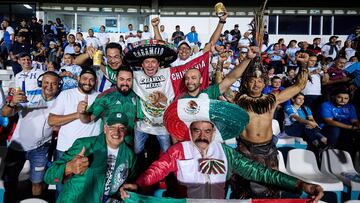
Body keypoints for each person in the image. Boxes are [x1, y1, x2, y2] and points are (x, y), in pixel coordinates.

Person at [120, 98, 323, 201]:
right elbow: (157, 169)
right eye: (197, 130)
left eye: (207, 131)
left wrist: (301, 185)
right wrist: (138, 185)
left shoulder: (226, 153)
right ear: (189, 131)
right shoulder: (178, 151)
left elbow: (261, 172)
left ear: (214, 132)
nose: (202, 136)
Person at [231, 54, 309, 198]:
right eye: (252, 81)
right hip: (245, 152)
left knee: (270, 191)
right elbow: (223, 84)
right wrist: (220, 65)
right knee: (244, 192)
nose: (256, 84)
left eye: (260, 81)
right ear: (246, 83)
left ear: (265, 83)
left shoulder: (272, 99)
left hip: (268, 152)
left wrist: (303, 65)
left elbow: (299, 86)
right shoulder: (238, 100)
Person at [44, 112, 137, 202]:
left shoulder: (129, 155)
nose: (117, 132)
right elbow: (49, 176)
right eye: (112, 127)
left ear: (125, 131)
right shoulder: (85, 145)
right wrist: (69, 167)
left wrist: (125, 189)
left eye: (121, 128)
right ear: (105, 129)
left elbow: (126, 181)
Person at [2, 71, 62, 202]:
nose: (49, 86)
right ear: (41, 83)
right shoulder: (28, 96)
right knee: (10, 181)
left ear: (59, 86)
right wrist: (12, 103)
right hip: (17, 146)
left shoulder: (61, 102)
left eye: (54, 83)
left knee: (37, 183)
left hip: (41, 149)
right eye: (46, 82)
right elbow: (5, 113)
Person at [48, 68, 101, 195]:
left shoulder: (100, 97)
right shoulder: (66, 94)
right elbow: (52, 120)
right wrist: (78, 114)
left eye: (91, 80)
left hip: (91, 151)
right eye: (84, 79)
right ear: (78, 79)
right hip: (66, 150)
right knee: (63, 189)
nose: (88, 82)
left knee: (87, 191)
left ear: (95, 82)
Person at [79, 66, 137, 146]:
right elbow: (88, 119)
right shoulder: (105, 96)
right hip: (106, 146)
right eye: (121, 79)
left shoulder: (136, 96)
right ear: (116, 79)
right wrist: (82, 113)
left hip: (128, 147)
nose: (125, 83)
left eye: (128, 80)